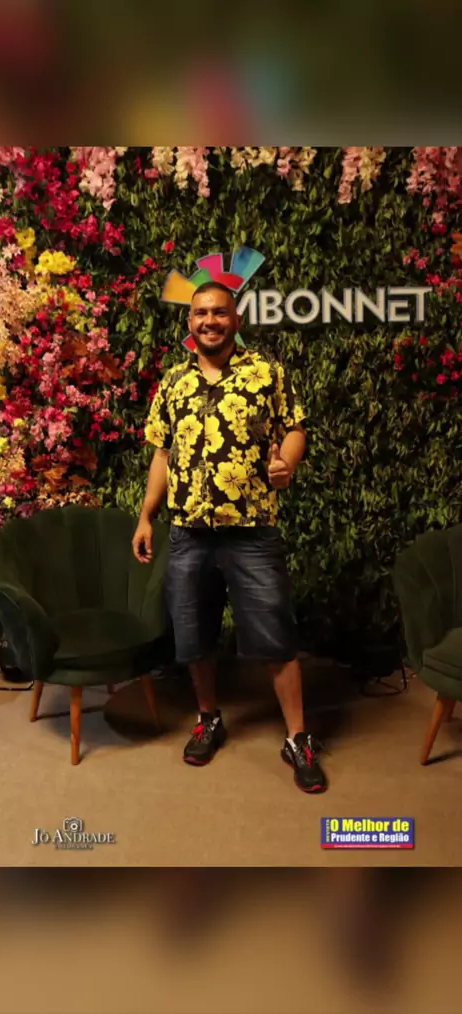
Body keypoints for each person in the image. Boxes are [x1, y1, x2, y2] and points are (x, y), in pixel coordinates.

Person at [133, 281, 327, 793]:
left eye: (220, 312)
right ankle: (208, 719)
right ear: (190, 323)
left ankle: (298, 738)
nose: (210, 321)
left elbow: (295, 427)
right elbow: (162, 453)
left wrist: (287, 462)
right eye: (201, 313)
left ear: (236, 321)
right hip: (188, 533)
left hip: (252, 532)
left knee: (276, 637)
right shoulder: (173, 383)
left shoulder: (266, 372)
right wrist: (147, 515)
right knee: (194, 634)